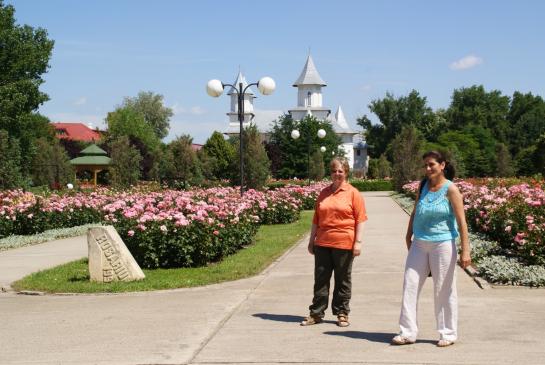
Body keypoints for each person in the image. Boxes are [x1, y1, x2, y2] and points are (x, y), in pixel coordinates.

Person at [392, 151, 471, 347]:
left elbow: (462, 222)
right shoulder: (423, 185)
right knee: (409, 284)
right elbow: (416, 210)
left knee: (443, 289)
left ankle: (448, 333)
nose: (427, 169)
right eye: (425, 165)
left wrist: (465, 250)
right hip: (419, 243)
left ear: (442, 165)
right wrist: (407, 234)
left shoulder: (451, 189)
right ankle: (407, 332)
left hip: (443, 244)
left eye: (432, 165)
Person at [301, 157, 367, 327]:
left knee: (342, 279)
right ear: (330, 173)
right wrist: (311, 241)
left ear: (346, 173)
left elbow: (360, 219)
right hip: (322, 243)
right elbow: (316, 218)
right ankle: (316, 313)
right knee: (321, 279)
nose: (337, 174)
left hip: (344, 242)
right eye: (334, 171)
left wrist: (358, 242)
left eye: (340, 171)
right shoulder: (324, 193)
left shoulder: (353, 193)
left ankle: (342, 313)